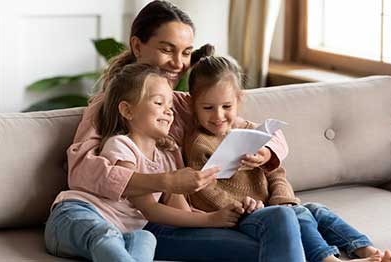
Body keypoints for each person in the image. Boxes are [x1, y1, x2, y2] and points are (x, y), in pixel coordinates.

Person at [57, 1, 306, 261]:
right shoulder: (107, 106)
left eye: (186, 53)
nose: (178, 63)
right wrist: (166, 182)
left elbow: (261, 131)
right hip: (139, 221)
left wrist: (265, 152)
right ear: (137, 46)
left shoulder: (185, 104)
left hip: (178, 214)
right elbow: (82, 171)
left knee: (290, 220)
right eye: (167, 50)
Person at [183, 55, 391, 262]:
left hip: (272, 208)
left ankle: (368, 251)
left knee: (317, 210)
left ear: (239, 100)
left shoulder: (252, 132)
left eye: (226, 106)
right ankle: (328, 260)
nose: (218, 115)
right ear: (194, 105)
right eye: (208, 108)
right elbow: (203, 191)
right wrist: (241, 207)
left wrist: (282, 199)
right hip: (240, 217)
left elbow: (276, 172)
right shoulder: (199, 143)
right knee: (298, 214)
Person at [45, 63, 247, 261]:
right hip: (76, 216)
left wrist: (224, 212)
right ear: (127, 110)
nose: (169, 112)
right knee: (105, 236)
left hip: (124, 233)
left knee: (145, 238)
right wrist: (211, 219)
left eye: (170, 106)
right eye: (159, 103)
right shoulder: (122, 145)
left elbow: (182, 212)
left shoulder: (167, 157)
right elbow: (149, 209)